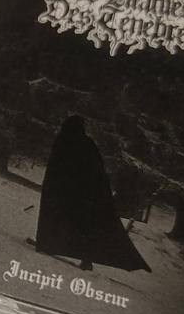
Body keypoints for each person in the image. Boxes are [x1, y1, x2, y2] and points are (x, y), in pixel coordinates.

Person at [32, 115, 151, 272]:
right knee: (83, 226)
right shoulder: (87, 144)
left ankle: (49, 244)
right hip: (83, 195)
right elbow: (97, 172)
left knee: (62, 219)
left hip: (67, 193)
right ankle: (77, 255)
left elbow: (56, 169)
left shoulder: (64, 141)